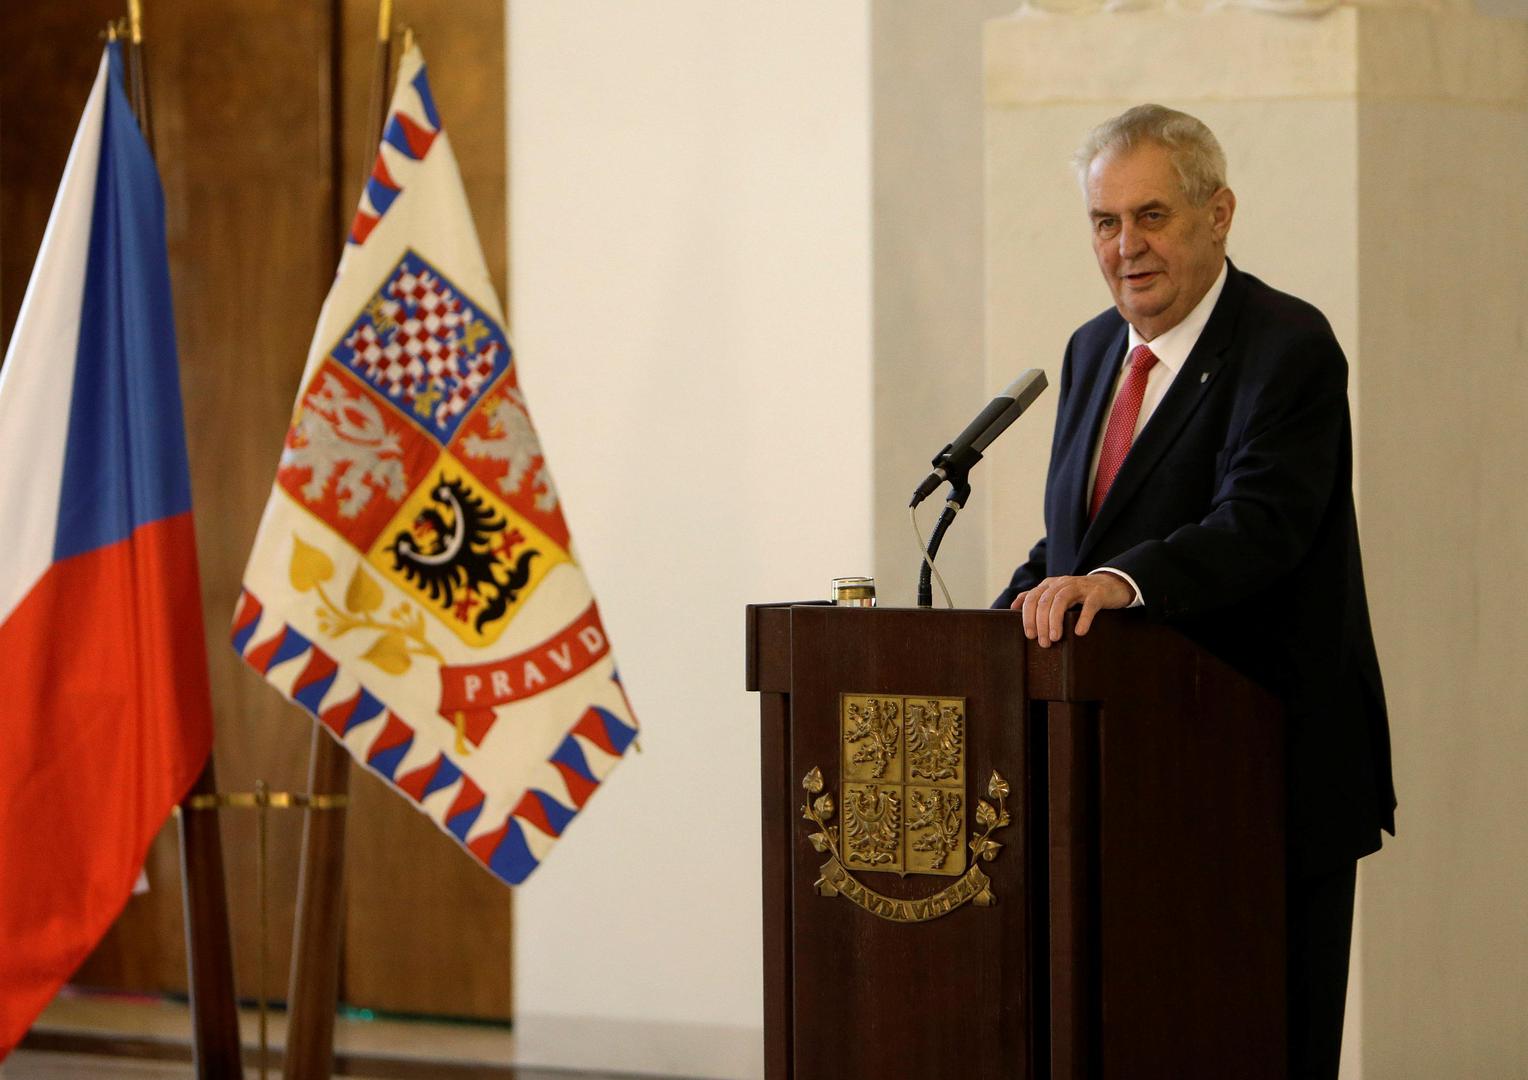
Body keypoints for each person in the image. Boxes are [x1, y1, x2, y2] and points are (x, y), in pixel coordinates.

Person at [993, 104, 1396, 1078]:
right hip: (1115, 788)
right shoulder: (1093, 349)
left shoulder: (1286, 346)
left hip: (1260, 777)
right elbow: (1084, 538)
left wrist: (1113, 582)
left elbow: (1258, 524)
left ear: (1218, 214)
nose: (1125, 247)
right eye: (1104, 222)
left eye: (1151, 216)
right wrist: (1015, 606)